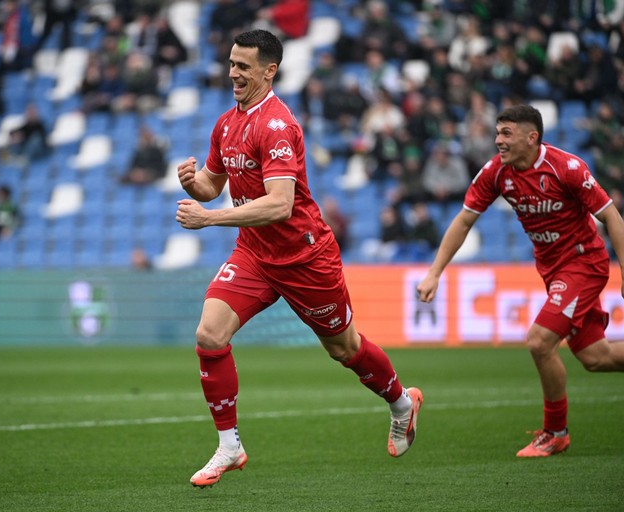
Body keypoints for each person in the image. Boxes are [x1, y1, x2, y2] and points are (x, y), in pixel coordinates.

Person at [175, 29, 423, 488]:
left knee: (343, 349)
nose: (233, 73)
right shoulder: (226, 123)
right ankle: (229, 446)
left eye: (243, 66)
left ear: (269, 71)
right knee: (209, 335)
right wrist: (193, 185)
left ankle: (401, 403)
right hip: (254, 253)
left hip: (304, 257)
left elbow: (280, 204)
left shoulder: (277, 125)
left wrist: (210, 219)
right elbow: (212, 183)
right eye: (231, 63)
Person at [417, 104, 624, 457]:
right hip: (552, 269)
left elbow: (612, 218)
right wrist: (435, 271)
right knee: (596, 357)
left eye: (506, 133)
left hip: (583, 262)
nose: (498, 140)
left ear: (532, 137)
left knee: (539, 342)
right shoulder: (496, 172)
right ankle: (556, 430)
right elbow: (464, 220)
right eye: (498, 133)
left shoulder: (567, 168)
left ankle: (555, 432)